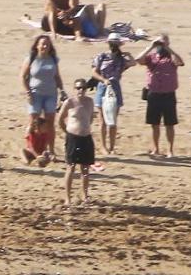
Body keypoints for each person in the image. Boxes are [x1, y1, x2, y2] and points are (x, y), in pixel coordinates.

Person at [136, 34, 184, 158]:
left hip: (168, 94)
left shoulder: (171, 58)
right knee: (154, 124)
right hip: (154, 94)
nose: (161, 46)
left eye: (164, 43)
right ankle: (155, 148)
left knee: (170, 124)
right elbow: (138, 60)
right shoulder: (151, 58)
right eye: (160, 43)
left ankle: (170, 150)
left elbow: (180, 62)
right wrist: (151, 46)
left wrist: (168, 48)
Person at [91, 33, 134, 154]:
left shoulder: (121, 59)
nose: (114, 46)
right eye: (112, 43)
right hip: (103, 86)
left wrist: (128, 55)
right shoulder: (102, 56)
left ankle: (112, 147)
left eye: (116, 43)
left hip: (115, 87)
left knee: (113, 120)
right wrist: (103, 80)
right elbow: (94, 72)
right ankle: (103, 146)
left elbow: (133, 63)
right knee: (102, 120)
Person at [21, 35, 63, 156]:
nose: (45, 46)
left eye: (47, 44)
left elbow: (57, 76)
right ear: (37, 45)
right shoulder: (31, 58)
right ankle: (30, 148)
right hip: (35, 94)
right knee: (33, 122)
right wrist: (28, 92)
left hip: (51, 94)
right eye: (42, 44)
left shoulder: (53, 59)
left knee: (50, 122)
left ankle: (51, 149)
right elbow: (23, 77)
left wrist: (62, 90)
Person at [57, 78, 96, 206]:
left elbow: (89, 118)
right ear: (75, 89)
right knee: (71, 167)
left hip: (86, 137)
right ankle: (67, 197)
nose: (81, 90)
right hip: (73, 137)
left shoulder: (90, 101)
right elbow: (60, 119)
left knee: (85, 168)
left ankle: (84, 194)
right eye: (78, 88)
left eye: (83, 88)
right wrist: (67, 132)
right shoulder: (70, 102)